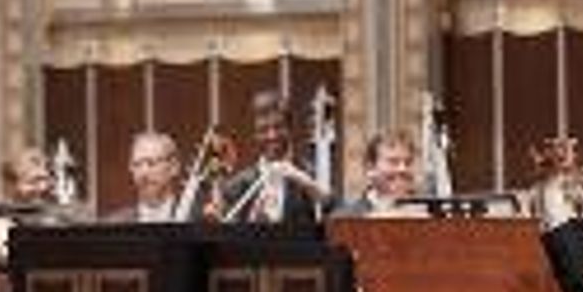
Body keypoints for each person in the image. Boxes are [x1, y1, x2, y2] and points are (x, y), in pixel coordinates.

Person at [221, 90, 326, 224]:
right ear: (254, 135)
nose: (272, 136)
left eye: (278, 127)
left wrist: (307, 184)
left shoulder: (311, 175)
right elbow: (227, 232)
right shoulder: (237, 186)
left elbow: (338, 213)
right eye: (263, 130)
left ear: (290, 129)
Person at [108, 131, 201, 223]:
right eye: (137, 164)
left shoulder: (198, 220)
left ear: (174, 167)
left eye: (151, 163)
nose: (143, 173)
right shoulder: (114, 223)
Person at [340, 130, 419, 215]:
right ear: (370, 168)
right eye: (393, 162)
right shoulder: (349, 216)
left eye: (408, 162)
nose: (403, 169)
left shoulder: (426, 213)